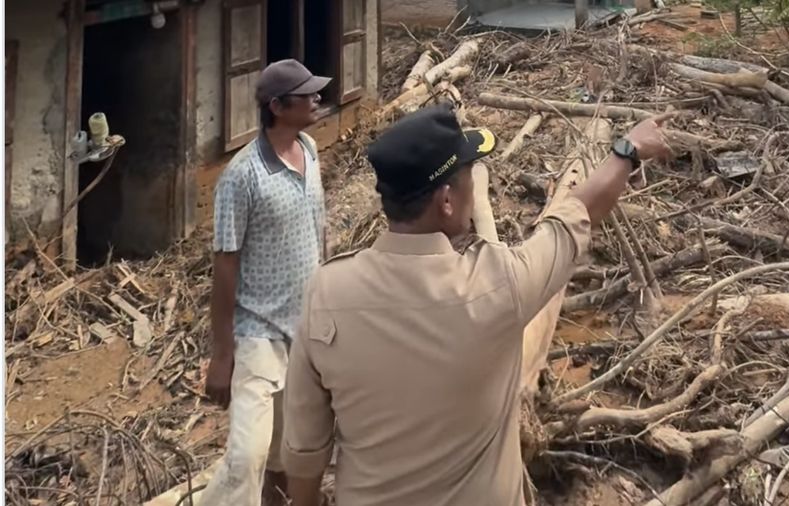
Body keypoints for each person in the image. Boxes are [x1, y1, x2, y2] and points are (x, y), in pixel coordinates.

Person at [280, 103, 673, 506]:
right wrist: (627, 150)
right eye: (470, 175)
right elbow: (579, 213)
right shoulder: (498, 283)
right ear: (447, 200)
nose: (475, 185)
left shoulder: (325, 293)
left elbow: (305, 449)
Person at [201, 59, 331, 506]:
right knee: (247, 455)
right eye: (306, 94)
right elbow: (225, 265)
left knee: (285, 449)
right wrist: (222, 356)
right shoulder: (241, 177)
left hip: (305, 327)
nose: (317, 99)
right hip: (257, 333)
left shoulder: (310, 150)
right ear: (277, 106)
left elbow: (319, 230)